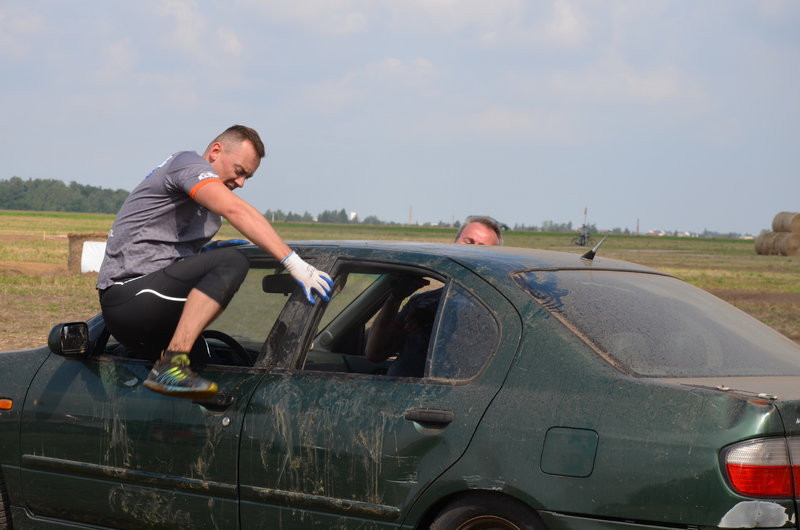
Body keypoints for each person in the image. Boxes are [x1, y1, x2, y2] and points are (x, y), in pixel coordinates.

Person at [97, 125, 333, 399]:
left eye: (248, 177)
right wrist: (293, 263)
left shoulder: (206, 211)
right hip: (129, 296)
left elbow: (166, 246)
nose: (241, 183)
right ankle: (171, 364)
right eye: (239, 171)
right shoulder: (187, 164)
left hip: (153, 310)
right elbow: (235, 209)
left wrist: (203, 253)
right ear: (216, 151)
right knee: (231, 261)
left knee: (209, 376)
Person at [364, 216, 503, 377]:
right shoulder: (422, 303)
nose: (472, 250)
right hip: (401, 388)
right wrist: (395, 298)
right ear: (454, 244)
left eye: (482, 248)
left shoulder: (498, 312)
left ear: (494, 260)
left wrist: (440, 328)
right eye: (468, 242)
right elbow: (375, 353)